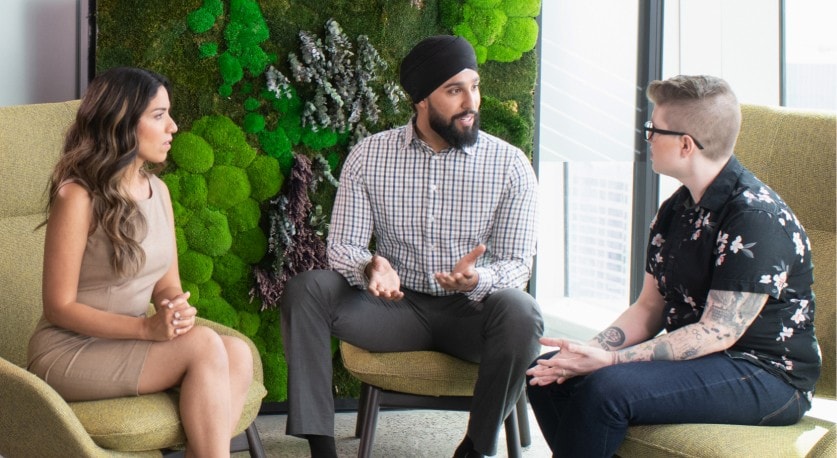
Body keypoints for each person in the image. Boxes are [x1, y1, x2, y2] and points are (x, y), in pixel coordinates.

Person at [526, 74, 820, 457]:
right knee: (548, 374)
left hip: (768, 375)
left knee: (605, 389)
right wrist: (587, 351)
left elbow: (718, 332)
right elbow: (649, 307)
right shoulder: (675, 209)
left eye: (653, 129)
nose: (647, 138)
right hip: (707, 361)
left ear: (685, 144)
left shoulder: (754, 218)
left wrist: (611, 361)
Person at [280, 35, 543, 458]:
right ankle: (321, 448)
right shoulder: (370, 156)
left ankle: (476, 448)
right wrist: (371, 268)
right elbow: (344, 245)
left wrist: (480, 278)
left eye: (474, 86)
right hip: (394, 310)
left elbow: (516, 264)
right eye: (454, 90)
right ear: (420, 98)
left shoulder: (510, 165)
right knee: (307, 289)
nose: (470, 102)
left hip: (471, 316)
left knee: (522, 312)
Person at [27, 67, 254, 457]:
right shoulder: (76, 197)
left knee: (237, 352)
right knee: (203, 346)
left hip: (129, 341)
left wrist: (174, 312)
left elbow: (166, 286)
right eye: (159, 115)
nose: (174, 127)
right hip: (68, 352)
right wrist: (147, 329)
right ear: (121, 122)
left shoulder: (158, 191)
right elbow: (58, 307)